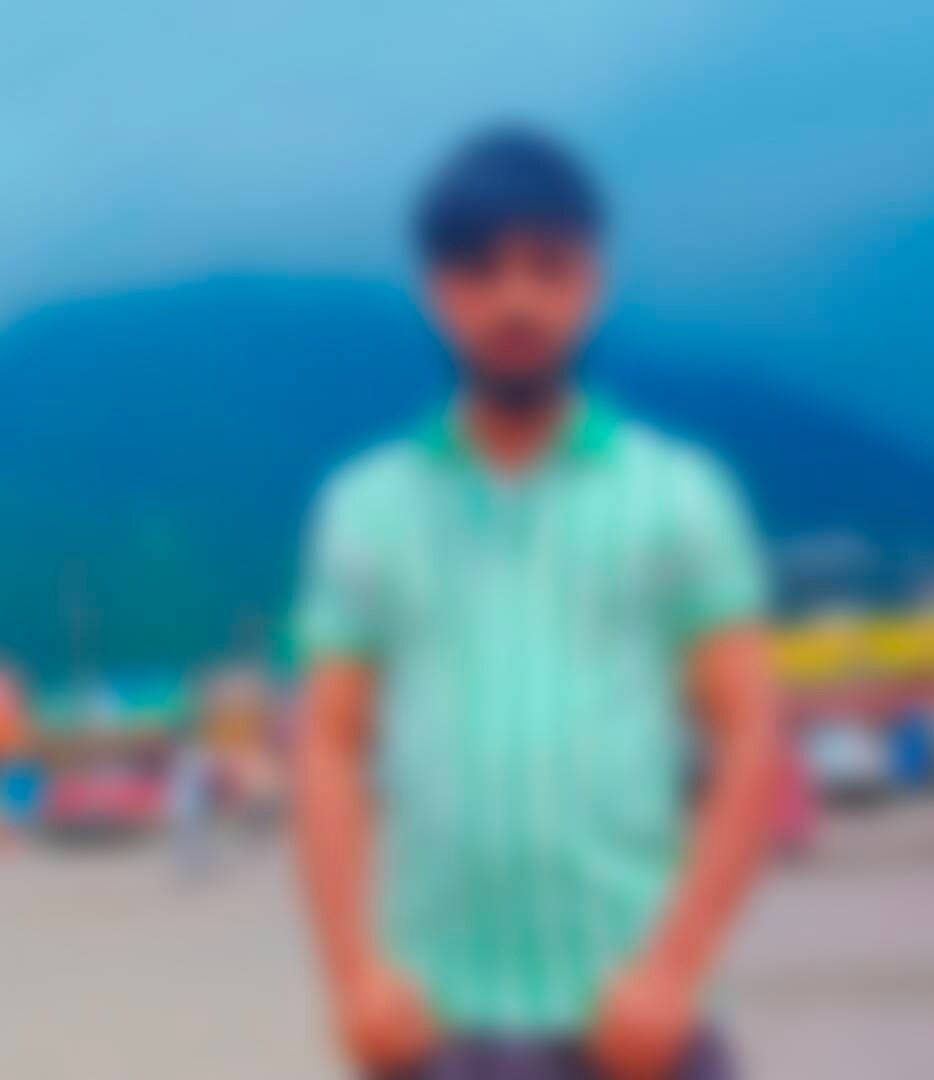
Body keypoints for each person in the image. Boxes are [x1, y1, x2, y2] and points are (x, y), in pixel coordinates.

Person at [293, 126, 778, 1079]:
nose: (515, 298)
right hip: (437, 1023)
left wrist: (675, 971)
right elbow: (329, 745)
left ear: (591, 281)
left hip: (634, 1024)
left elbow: (751, 735)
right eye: (481, 269)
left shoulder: (679, 495)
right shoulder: (366, 508)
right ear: (438, 291)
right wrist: (353, 975)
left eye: (548, 266)